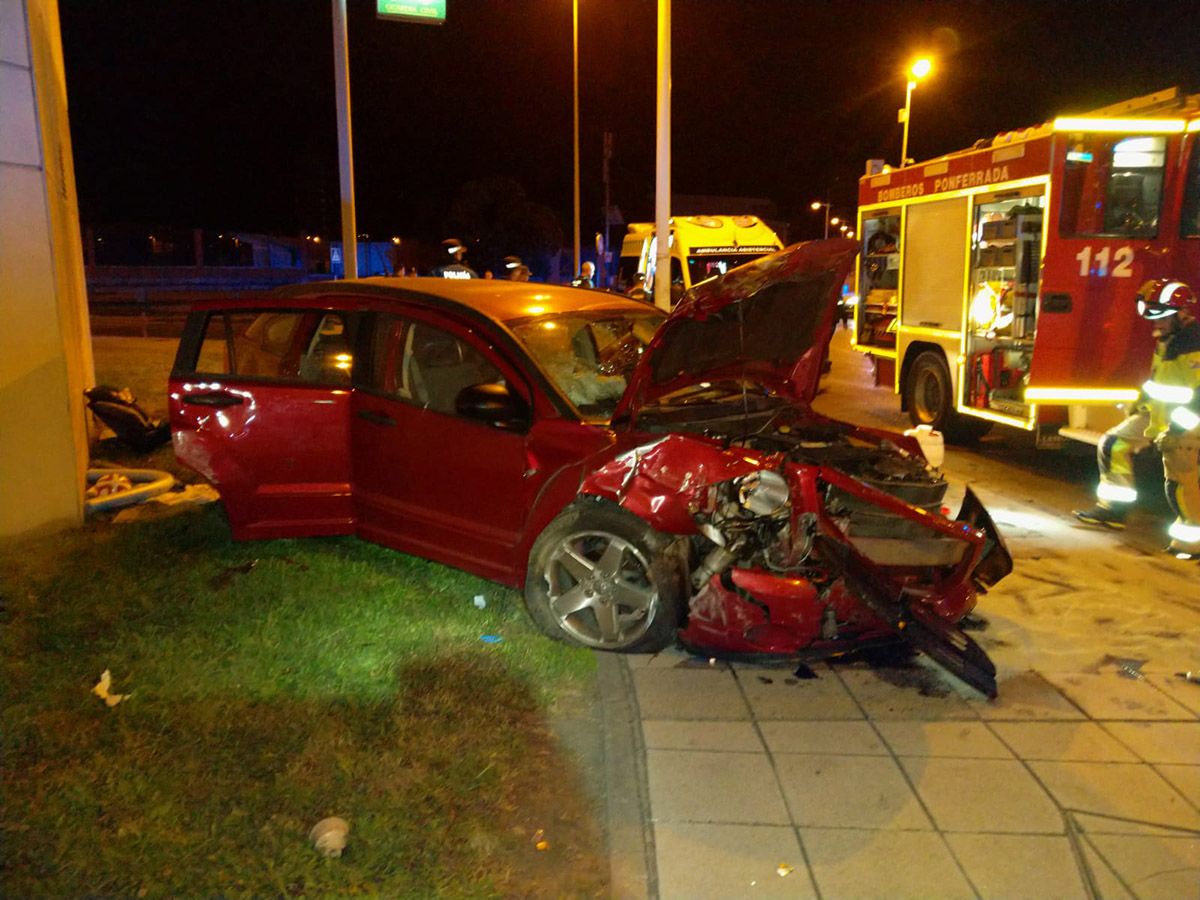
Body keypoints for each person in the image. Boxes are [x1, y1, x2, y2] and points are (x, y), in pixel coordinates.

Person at [1075, 279, 1200, 558]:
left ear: (1182, 314)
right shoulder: (1169, 340)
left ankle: (1192, 543)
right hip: (1159, 418)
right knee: (1113, 444)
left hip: (1187, 426)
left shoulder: (1193, 344)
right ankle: (1114, 509)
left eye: (1163, 317)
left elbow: (1198, 396)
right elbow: (1158, 382)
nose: (1157, 325)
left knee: (1181, 485)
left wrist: (1177, 429)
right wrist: (1140, 405)